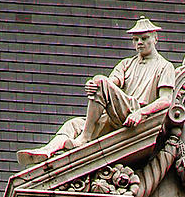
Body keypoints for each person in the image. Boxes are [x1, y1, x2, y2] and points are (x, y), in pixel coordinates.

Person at [17, 16, 175, 167]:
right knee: (73, 124)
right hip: (116, 116)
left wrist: (141, 113)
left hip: (137, 114)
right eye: (135, 39)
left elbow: (166, 100)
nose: (139, 42)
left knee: (100, 81)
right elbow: (112, 83)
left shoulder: (164, 66)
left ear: (155, 38)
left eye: (144, 38)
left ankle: (85, 138)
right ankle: (47, 152)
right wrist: (94, 86)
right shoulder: (127, 64)